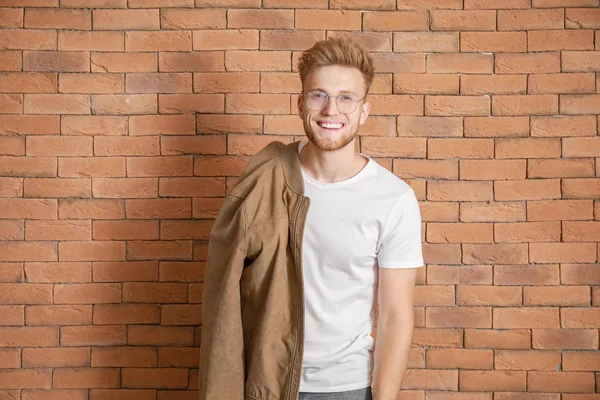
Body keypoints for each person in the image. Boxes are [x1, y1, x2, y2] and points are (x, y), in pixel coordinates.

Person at [198, 37, 424, 400]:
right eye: (318, 95)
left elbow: (397, 315)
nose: (331, 110)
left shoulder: (393, 199)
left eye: (346, 97)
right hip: (265, 382)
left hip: (347, 388)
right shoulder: (265, 180)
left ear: (364, 110)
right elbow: (225, 295)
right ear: (301, 104)